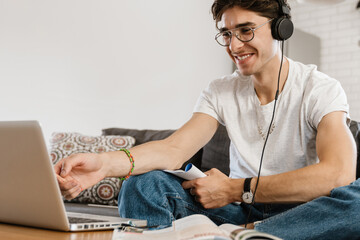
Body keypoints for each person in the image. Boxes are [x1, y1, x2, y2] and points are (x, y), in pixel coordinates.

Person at [55, 0, 360, 239]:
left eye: (245, 30)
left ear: (281, 28)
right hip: (237, 212)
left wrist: (232, 188)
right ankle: (242, 233)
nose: (234, 46)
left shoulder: (319, 88)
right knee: (143, 184)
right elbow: (173, 150)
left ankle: (248, 236)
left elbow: (338, 174)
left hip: (305, 215)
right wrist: (103, 165)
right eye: (226, 34)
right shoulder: (221, 90)